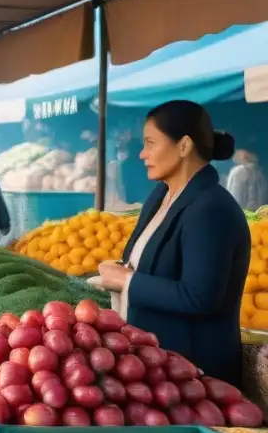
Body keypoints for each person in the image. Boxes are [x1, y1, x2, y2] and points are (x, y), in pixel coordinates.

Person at [98, 100, 248, 383]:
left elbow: (199, 297)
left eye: (151, 143)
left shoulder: (211, 209)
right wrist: (120, 271)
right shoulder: (160, 196)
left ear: (183, 146)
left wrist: (127, 281)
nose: (142, 154)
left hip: (194, 376)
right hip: (154, 365)